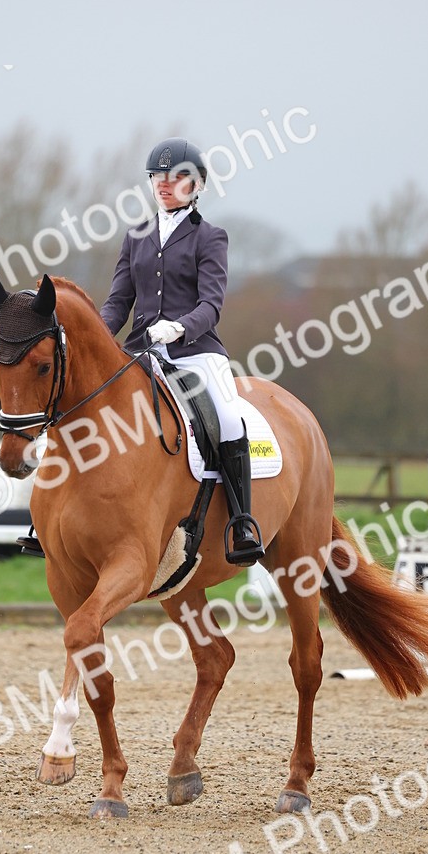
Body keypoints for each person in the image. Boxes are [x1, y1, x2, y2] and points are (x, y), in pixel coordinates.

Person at [100, 137, 265, 565]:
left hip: (195, 350)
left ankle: (242, 521)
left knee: (229, 419)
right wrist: (98, 339)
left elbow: (211, 305)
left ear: (198, 185)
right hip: (142, 352)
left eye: (176, 178)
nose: (164, 185)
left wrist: (180, 327)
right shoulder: (136, 236)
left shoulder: (210, 237)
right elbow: (119, 301)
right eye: (157, 177)